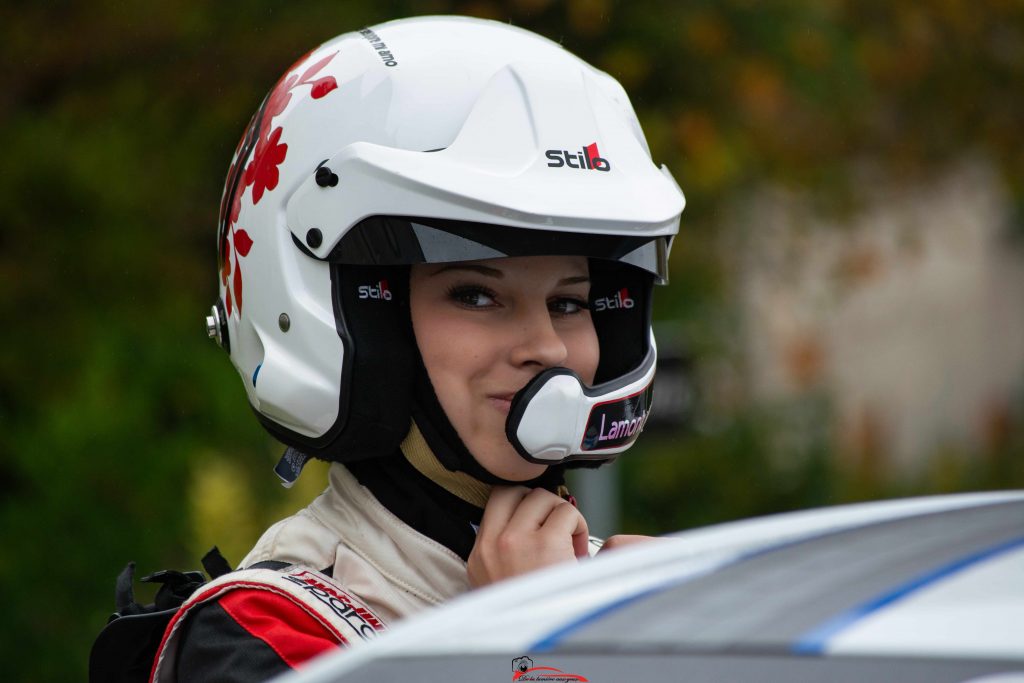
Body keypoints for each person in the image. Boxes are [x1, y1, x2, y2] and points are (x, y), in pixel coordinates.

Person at [149, 14, 683, 682]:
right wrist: (535, 645)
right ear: (364, 322)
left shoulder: (639, 598)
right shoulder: (260, 636)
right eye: (476, 295)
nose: (546, 345)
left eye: (570, 302)